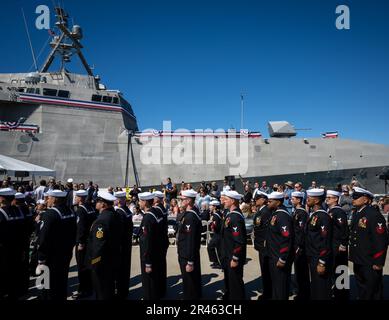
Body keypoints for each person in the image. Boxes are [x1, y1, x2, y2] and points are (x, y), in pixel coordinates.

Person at [349, 187, 389, 300]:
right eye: (353, 197)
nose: (353, 199)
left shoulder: (373, 215)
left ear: (366, 199)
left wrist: (378, 261)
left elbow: (381, 240)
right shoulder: (358, 214)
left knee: (373, 290)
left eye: (356, 197)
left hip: (370, 261)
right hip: (359, 259)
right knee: (362, 288)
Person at [37, 189, 77, 300]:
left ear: (55, 199)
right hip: (65, 252)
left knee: (47, 284)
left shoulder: (50, 214)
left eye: (48, 197)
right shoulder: (70, 211)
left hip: (51, 255)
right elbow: (74, 232)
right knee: (61, 280)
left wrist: (41, 257)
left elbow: (44, 237)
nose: (46, 200)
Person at [86, 191, 121, 300]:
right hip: (112, 258)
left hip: (101, 263)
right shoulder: (115, 215)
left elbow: (98, 246)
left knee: (101, 291)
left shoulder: (101, 221)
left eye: (98, 201)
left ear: (103, 204)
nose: (96, 203)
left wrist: (93, 263)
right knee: (108, 288)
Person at [265, 192, 294, 300]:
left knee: (281, 287)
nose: (268, 203)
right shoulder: (276, 213)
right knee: (276, 287)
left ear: (278, 202)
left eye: (270, 201)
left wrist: (282, 258)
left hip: (279, 257)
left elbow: (286, 238)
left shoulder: (282, 216)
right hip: (273, 255)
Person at [305, 188, 333, 300]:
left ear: (316, 201)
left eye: (309, 198)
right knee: (316, 287)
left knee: (321, 289)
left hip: (319, 257)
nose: (307, 200)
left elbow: (325, 240)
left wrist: (322, 262)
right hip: (313, 256)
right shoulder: (315, 215)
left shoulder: (323, 217)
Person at [220, 190, 247, 300]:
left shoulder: (235, 217)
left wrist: (235, 258)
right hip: (228, 254)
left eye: (226, 199)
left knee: (235, 283)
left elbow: (239, 240)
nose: (223, 202)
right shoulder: (230, 215)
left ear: (233, 201)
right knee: (231, 282)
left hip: (233, 256)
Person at [177, 189, 202, 300]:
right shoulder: (189, 214)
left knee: (190, 282)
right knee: (190, 280)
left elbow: (190, 241)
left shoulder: (190, 217)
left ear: (188, 201)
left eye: (182, 200)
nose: (180, 201)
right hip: (186, 254)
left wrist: (190, 261)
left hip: (187, 256)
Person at [72, 189, 97, 299]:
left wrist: (80, 242)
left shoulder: (81, 210)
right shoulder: (90, 207)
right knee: (88, 266)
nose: (75, 198)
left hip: (83, 243)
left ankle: (83, 290)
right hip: (90, 241)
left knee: (82, 267)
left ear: (80, 198)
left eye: (76, 196)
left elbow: (80, 227)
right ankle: (89, 287)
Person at [139, 192, 163, 300]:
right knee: (154, 280)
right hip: (156, 251)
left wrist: (147, 261)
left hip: (148, 254)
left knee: (148, 281)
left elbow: (147, 241)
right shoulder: (156, 212)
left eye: (140, 201)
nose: (139, 203)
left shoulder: (148, 218)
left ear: (145, 202)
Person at [326, 190, 349, 300]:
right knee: (334, 269)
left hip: (338, 245)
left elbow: (343, 229)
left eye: (329, 197)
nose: (327, 199)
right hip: (332, 244)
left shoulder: (338, 212)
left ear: (336, 199)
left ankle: (342, 295)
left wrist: (343, 244)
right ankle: (337, 292)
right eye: (327, 197)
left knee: (341, 269)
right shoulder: (330, 210)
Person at [13, 192, 34, 298]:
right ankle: (25, 285)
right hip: (26, 240)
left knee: (19, 265)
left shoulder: (17, 210)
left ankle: (20, 287)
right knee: (25, 263)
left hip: (19, 242)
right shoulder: (28, 209)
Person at [252, 191, 272, 300]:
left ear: (264, 199)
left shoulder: (266, 211)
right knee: (264, 270)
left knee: (267, 271)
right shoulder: (260, 211)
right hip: (260, 245)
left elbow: (267, 231)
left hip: (265, 246)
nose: (255, 200)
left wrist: (265, 245)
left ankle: (268, 293)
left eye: (257, 198)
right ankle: (267, 291)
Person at [114, 191, 134, 300]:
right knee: (126, 268)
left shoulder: (120, 212)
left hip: (121, 245)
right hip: (127, 243)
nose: (114, 201)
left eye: (116, 199)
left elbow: (119, 231)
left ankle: (120, 292)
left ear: (119, 200)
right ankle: (124, 290)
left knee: (120, 269)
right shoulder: (127, 211)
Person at [291, 191, 310, 300]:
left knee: (302, 271)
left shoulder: (301, 213)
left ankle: (304, 294)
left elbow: (301, 231)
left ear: (299, 200)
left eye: (293, 199)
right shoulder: (296, 211)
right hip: (296, 245)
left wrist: (298, 246)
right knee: (298, 270)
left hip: (300, 247)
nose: (291, 200)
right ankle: (301, 291)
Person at [153, 191, 169, 298]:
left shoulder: (158, 209)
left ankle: (159, 289)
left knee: (158, 266)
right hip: (164, 239)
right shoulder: (162, 208)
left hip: (159, 240)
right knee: (162, 265)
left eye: (154, 197)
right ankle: (162, 288)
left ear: (157, 199)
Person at [207, 200, 223, 269]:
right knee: (214, 248)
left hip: (218, 234)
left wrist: (211, 225)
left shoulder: (216, 215)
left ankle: (221, 264)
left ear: (214, 207)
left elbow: (215, 227)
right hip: (218, 234)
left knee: (218, 249)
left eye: (211, 205)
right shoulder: (217, 214)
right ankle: (217, 262)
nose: (209, 207)